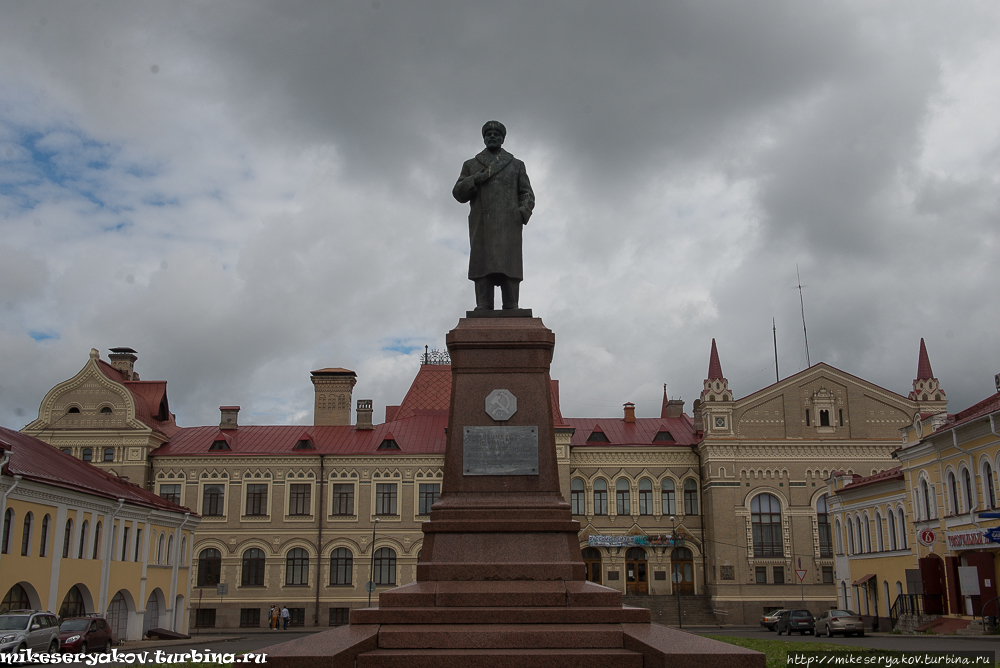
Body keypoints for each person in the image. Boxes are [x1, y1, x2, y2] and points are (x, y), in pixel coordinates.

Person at [453, 120, 535, 311]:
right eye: (488, 134)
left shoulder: (516, 165)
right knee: (482, 264)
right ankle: (483, 303)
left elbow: (527, 193)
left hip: (509, 223)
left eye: (496, 134)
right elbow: (458, 193)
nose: (492, 137)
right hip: (482, 223)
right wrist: (476, 179)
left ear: (502, 139)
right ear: (483, 138)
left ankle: (511, 303)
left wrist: (521, 213)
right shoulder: (471, 165)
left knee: (509, 265)